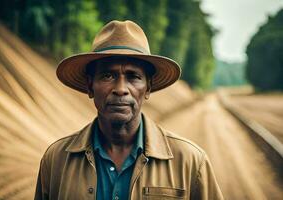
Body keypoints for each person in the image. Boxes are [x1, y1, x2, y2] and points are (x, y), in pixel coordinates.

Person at [34, 20, 223, 200]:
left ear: (148, 87)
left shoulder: (190, 162)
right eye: (107, 75)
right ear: (90, 86)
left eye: (133, 77)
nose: (121, 89)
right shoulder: (56, 160)